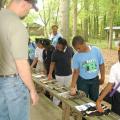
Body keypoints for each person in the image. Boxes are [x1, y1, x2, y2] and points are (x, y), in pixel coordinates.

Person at [0, 0, 39, 120]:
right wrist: (33, 90)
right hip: (14, 85)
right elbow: (22, 64)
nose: (28, 12)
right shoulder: (17, 26)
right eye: (29, 9)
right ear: (24, 3)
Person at [71, 35, 105, 101]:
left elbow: (101, 64)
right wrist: (72, 86)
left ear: (84, 43)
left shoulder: (96, 50)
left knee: (95, 99)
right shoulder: (76, 56)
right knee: (83, 100)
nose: (77, 51)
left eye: (78, 48)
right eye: (76, 49)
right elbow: (76, 72)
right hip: (82, 81)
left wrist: (103, 77)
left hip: (95, 80)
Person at [48, 37, 74, 105]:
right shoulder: (55, 52)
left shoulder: (70, 49)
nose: (58, 48)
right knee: (58, 90)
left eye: (60, 47)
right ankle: (55, 105)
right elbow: (52, 63)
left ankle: (65, 106)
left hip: (69, 74)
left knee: (67, 91)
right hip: (59, 75)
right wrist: (50, 74)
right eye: (57, 46)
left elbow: (73, 58)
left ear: (65, 46)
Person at [96, 42, 120, 115]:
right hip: (118, 98)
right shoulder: (115, 68)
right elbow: (110, 85)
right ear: (118, 54)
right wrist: (99, 100)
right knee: (116, 116)